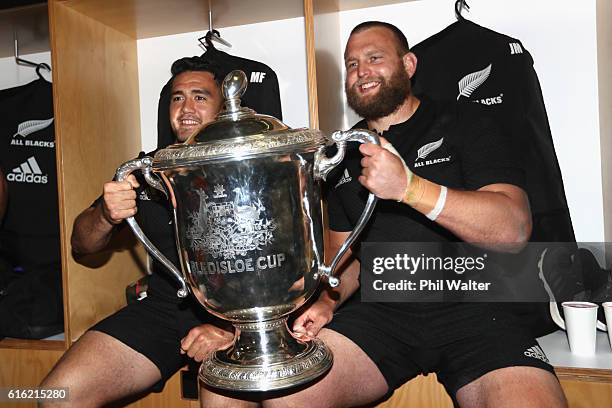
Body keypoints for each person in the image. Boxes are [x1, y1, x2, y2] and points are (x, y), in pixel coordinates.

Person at [199, 22, 568, 407]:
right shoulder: (343, 152)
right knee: (283, 394)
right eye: (353, 64)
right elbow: (346, 257)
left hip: (479, 310)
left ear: (408, 64)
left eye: (375, 58)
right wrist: (327, 302)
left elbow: (513, 229)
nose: (362, 71)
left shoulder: (467, 122)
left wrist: (411, 188)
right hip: (381, 317)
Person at [40, 57, 234, 407]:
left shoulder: (250, 163)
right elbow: (80, 244)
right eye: (177, 97)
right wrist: (106, 214)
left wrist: (234, 332)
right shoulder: (146, 169)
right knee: (57, 397)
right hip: (164, 308)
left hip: (238, 318)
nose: (186, 107)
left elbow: (288, 271)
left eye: (200, 96)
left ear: (224, 107)